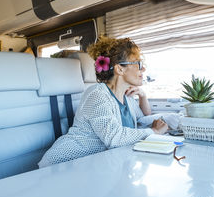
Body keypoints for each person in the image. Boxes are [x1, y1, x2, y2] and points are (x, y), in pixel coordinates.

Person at [38, 37, 168, 167]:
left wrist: (142, 95)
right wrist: (154, 132)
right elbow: (114, 138)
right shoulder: (97, 95)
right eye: (138, 64)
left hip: (96, 164)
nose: (143, 69)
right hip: (64, 165)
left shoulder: (126, 97)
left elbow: (143, 117)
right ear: (120, 69)